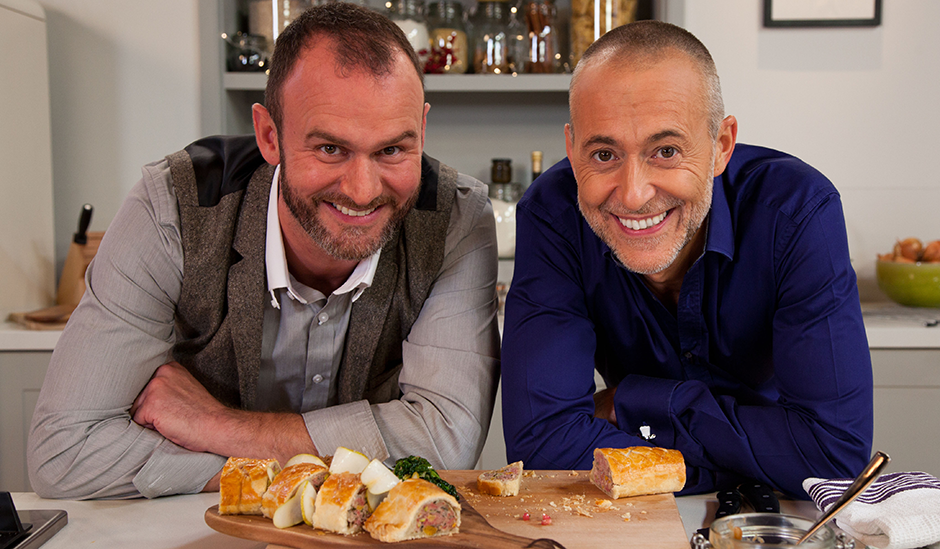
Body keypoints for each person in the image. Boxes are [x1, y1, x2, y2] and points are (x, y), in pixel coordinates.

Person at [28, 3, 500, 500]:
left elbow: (447, 444)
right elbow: (65, 452)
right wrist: (299, 467)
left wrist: (217, 427)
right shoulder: (174, 205)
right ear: (269, 135)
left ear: (422, 131)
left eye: (392, 151)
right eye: (330, 149)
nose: (362, 191)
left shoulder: (456, 218)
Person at [500, 20, 872, 498]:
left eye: (667, 151)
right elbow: (545, 442)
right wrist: (753, 466)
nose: (633, 195)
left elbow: (832, 456)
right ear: (572, 152)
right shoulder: (553, 214)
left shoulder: (797, 210)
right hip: (683, 510)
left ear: (721, 145)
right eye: (604, 154)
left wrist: (633, 401)